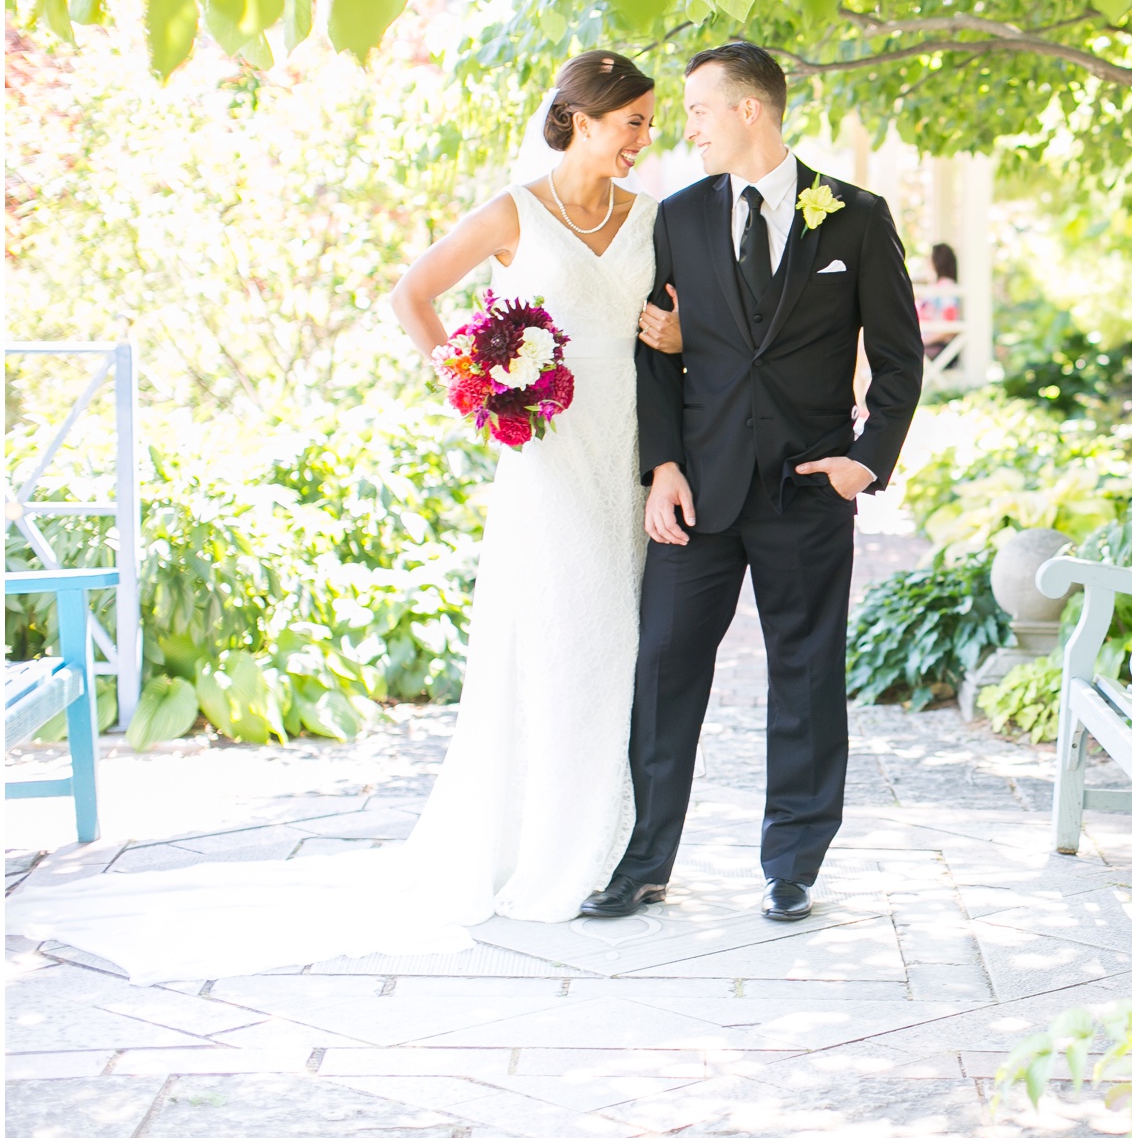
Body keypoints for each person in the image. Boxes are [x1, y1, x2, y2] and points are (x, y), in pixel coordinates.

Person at [9, 51, 661, 982]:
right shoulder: (514, 211)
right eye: (633, 120)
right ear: (585, 120)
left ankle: (611, 847)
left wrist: (671, 338)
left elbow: (668, 320)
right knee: (561, 634)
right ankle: (544, 848)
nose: (646, 138)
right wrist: (474, 389)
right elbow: (413, 294)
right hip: (546, 455)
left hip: (628, 448)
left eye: (650, 122)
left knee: (620, 639)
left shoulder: (650, 217)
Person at [580, 41, 921, 924]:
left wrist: (864, 459)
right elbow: (654, 351)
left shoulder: (855, 216)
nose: (682, 129)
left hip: (809, 492)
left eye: (695, 111)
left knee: (805, 674)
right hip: (701, 489)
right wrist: (661, 468)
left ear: (749, 111)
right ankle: (646, 857)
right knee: (662, 668)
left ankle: (793, 861)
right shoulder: (680, 219)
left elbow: (898, 359)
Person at [916, 242, 964, 360]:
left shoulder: (946, 287)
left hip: (937, 348)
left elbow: (950, 328)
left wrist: (923, 341)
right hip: (925, 345)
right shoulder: (935, 287)